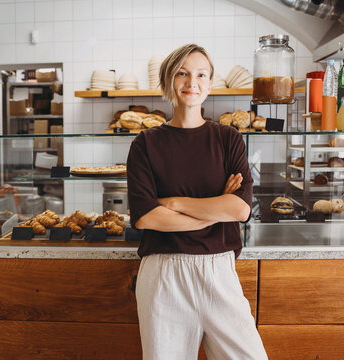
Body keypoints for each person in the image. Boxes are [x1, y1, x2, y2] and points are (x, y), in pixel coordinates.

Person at [127, 44, 268, 360]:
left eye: (201, 74)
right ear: (168, 80)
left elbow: (239, 209)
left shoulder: (228, 138)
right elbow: (147, 218)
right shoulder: (145, 143)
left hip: (219, 270)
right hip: (164, 273)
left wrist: (174, 202)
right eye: (182, 73)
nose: (193, 82)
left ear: (210, 82)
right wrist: (215, 208)